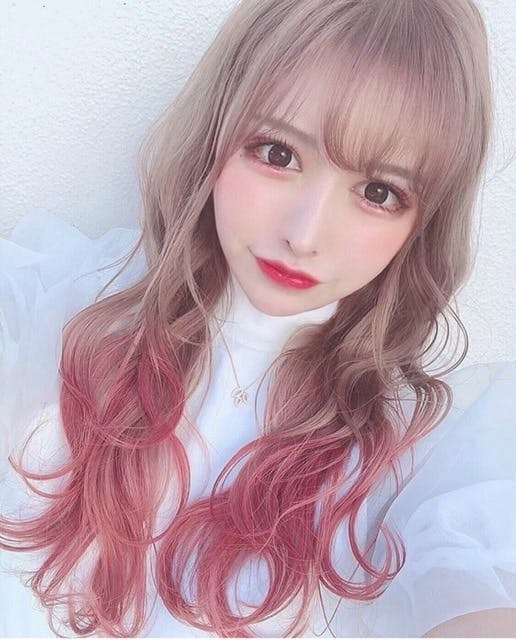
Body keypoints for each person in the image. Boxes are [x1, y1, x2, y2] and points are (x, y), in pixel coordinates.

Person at [1, 0, 515, 636]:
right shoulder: (62, 303)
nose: (304, 234)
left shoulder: (421, 450)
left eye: (378, 192)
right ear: (218, 132)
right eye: (277, 153)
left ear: (423, 223)